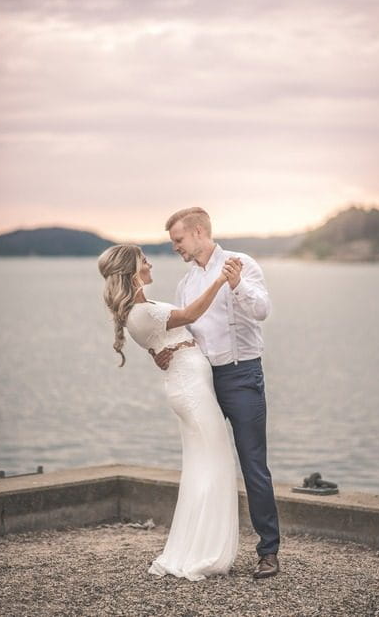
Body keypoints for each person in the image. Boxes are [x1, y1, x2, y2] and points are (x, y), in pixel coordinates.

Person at [152, 207, 280, 580]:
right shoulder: (186, 283)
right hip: (203, 381)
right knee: (204, 462)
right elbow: (186, 331)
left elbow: (263, 310)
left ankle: (268, 552)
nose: (176, 247)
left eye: (178, 240)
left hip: (242, 377)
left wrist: (237, 284)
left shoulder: (242, 263)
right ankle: (203, 549)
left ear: (196, 232)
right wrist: (166, 351)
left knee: (253, 465)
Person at [97, 243, 239, 581]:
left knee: (202, 466)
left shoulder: (145, 307)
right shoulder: (139, 312)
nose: (149, 263)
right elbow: (188, 316)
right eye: (143, 259)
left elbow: (162, 338)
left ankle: (197, 546)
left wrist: (161, 352)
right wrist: (219, 280)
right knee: (216, 463)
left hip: (189, 386)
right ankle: (202, 552)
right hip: (189, 391)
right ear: (132, 271)